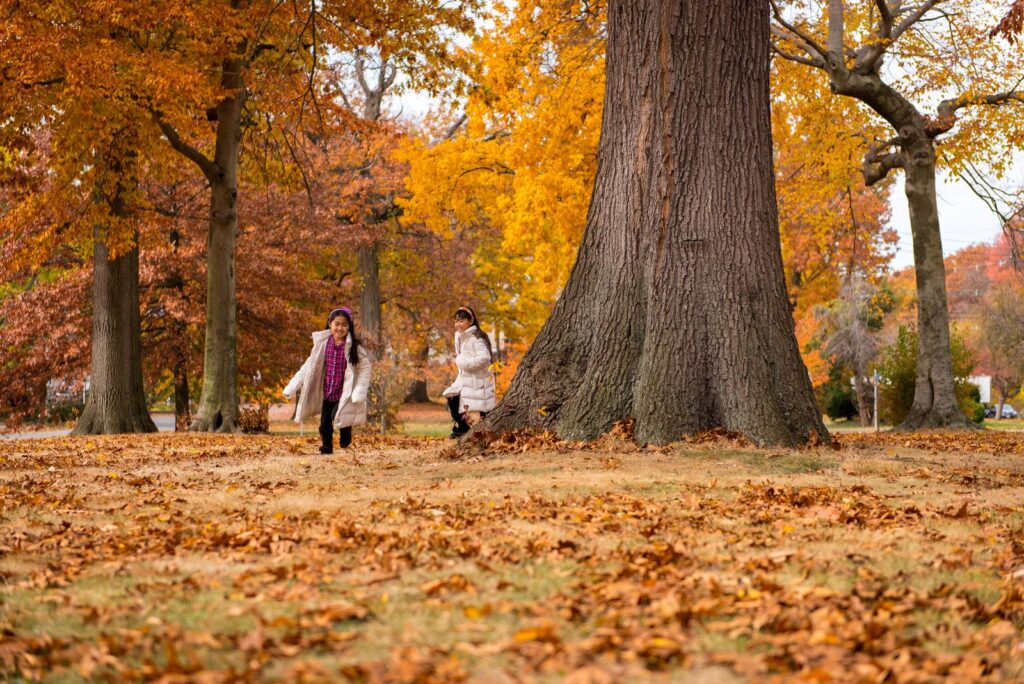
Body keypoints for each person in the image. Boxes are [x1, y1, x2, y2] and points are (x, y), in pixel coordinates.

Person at [283, 307, 371, 453]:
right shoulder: (322, 344)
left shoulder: (354, 347)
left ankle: (346, 432)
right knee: (324, 424)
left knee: (338, 414)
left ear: (349, 327)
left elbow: (365, 369)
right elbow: (308, 367)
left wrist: (359, 391)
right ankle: (327, 446)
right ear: (330, 323)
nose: (340, 328)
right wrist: (292, 386)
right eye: (337, 324)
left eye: (344, 325)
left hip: (344, 392)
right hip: (327, 391)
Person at [442, 306, 496, 438]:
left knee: (476, 409)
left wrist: (462, 361)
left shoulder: (477, 337)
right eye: (456, 321)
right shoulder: (461, 337)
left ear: (470, 320)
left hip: (478, 381)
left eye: (461, 321)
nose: (457, 324)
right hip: (465, 378)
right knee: (451, 397)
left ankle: (465, 430)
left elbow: (484, 358)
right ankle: (462, 428)